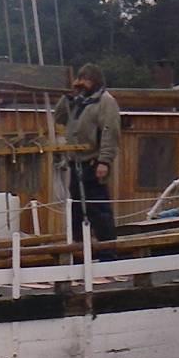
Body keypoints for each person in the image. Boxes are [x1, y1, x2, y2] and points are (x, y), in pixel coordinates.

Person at [53, 63, 121, 250]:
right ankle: (80, 250)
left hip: (93, 161)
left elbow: (110, 132)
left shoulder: (105, 102)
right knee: (76, 208)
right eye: (80, 79)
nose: (82, 84)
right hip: (76, 162)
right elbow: (59, 117)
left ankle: (108, 253)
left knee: (98, 209)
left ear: (95, 81)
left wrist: (104, 161)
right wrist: (67, 96)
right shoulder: (78, 101)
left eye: (86, 80)